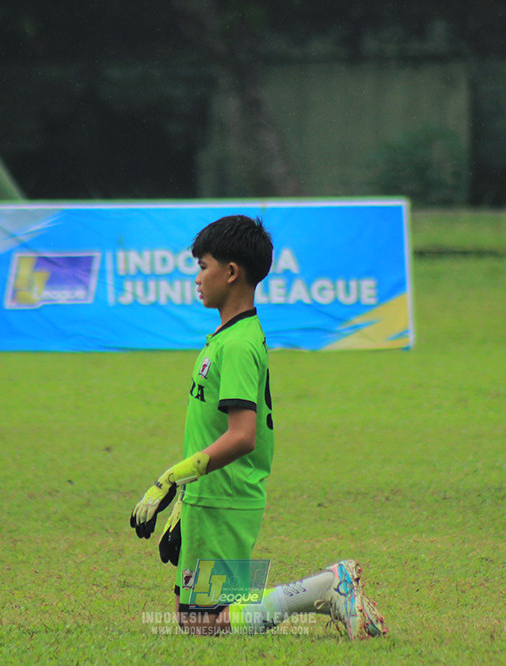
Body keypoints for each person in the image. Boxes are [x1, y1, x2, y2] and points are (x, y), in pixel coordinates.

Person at [129, 215, 387, 639]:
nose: (196, 277)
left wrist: (171, 478)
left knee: (203, 625)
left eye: (203, 266)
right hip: (212, 496)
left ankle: (326, 587)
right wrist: (186, 498)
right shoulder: (229, 336)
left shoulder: (239, 344)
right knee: (194, 615)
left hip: (224, 500)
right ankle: (325, 587)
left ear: (231, 273)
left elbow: (242, 435)